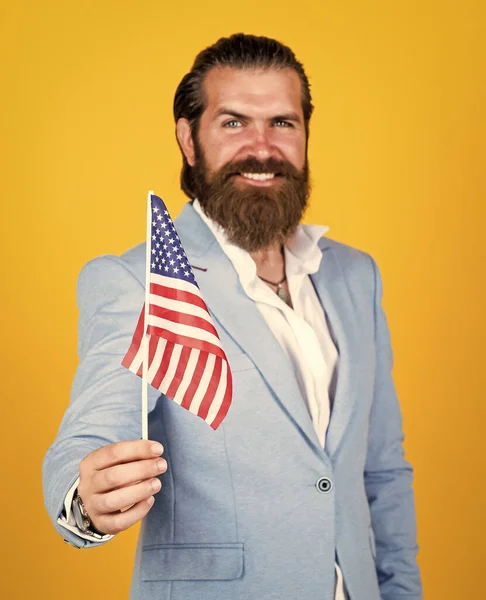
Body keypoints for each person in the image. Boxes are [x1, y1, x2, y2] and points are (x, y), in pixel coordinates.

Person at [43, 33, 422, 600]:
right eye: (234, 123)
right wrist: (84, 499)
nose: (262, 147)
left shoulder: (355, 276)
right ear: (188, 139)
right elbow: (93, 431)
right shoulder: (141, 281)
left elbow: (381, 470)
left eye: (282, 123)